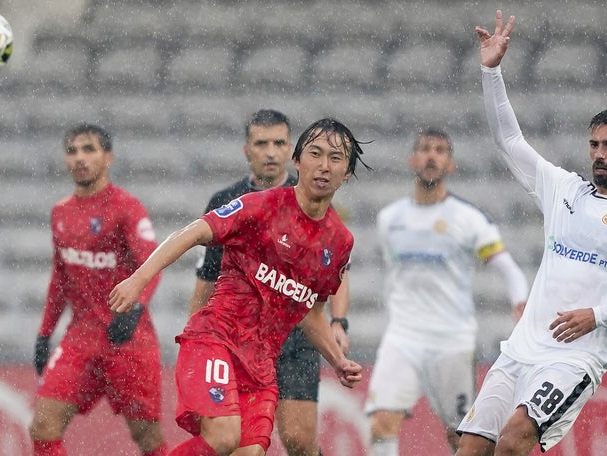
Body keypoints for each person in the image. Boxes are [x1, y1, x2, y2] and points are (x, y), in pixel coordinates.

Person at [454, 11, 607, 456]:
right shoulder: (564, 189)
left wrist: (598, 315)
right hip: (519, 350)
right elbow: (508, 141)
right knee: (471, 449)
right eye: (594, 144)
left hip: (573, 359)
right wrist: (491, 71)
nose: (599, 155)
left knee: (516, 438)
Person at [109, 118, 369, 456]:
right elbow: (191, 233)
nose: (324, 166)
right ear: (298, 160)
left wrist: (337, 359)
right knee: (223, 436)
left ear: (347, 172)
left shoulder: (339, 242)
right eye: (315, 154)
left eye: (335, 158)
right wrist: (138, 278)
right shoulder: (260, 206)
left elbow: (311, 310)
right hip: (218, 340)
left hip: (261, 365)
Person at [187, 109, 351, 456]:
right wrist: (195, 333)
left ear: (291, 149)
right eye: (262, 143)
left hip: (295, 332)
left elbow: (334, 274)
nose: (271, 152)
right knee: (233, 441)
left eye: (279, 142)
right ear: (247, 150)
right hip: (237, 332)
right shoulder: (227, 202)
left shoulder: (315, 203)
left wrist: (339, 322)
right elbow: (206, 276)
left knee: (298, 439)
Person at [365, 127, 529, 455]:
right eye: (425, 148)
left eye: (440, 150)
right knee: (381, 422)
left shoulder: (468, 219)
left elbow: (507, 267)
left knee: (459, 436)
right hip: (403, 337)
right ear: (413, 159)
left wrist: (521, 302)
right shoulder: (389, 219)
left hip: (451, 340)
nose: (431, 156)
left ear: (450, 164)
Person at [29, 124, 168, 456]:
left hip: (128, 339)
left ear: (108, 158)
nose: (79, 158)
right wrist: (44, 333)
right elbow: (60, 276)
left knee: (148, 439)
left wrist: (135, 308)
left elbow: (152, 264)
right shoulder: (61, 212)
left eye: (88, 149)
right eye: (72, 150)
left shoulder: (126, 207)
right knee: (43, 426)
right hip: (82, 337)